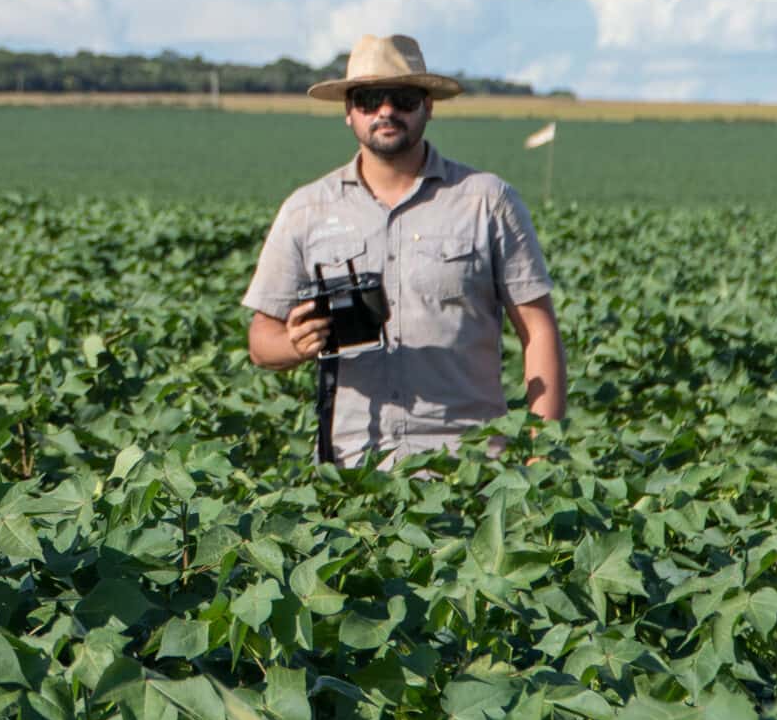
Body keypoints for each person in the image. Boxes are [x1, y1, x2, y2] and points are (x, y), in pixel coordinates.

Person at [243, 33, 567, 467]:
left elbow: (539, 330)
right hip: (352, 467)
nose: (386, 111)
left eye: (403, 98)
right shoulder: (307, 210)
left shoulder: (486, 201)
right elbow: (261, 341)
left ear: (428, 106)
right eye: (369, 98)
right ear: (349, 112)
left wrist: (539, 455)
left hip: (468, 465)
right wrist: (295, 344)